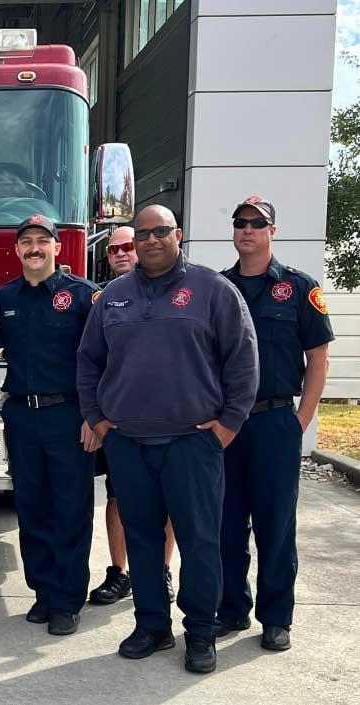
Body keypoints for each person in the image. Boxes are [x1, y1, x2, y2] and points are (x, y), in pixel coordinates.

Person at [77, 205, 259, 674]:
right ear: (133, 242)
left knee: (200, 541)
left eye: (161, 232)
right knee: (141, 538)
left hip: (192, 444)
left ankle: (200, 632)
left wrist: (227, 426)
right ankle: (152, 626)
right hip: (128, 443)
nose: (151, 240)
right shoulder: (113, 297)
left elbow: (242, 360)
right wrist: (97, 419)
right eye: (142, 234)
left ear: (177, 234)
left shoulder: (213, 290)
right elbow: (88, 362)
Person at [218, 196, 334, 651]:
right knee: (226, 523)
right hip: (227, 424)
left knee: (275, 525)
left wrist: (300, 420)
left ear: (272, 231)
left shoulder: (299, 288)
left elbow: (318, 359)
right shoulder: (218, 288)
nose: (247, 230)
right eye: (240, 223)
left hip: (273, 423)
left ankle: (275, 616)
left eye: (256, 223)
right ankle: (231, 609)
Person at [0, 214, 100, 636]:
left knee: (70, 509)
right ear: (17, 250)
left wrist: (95, 417)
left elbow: (102, 361)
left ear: (58, 247)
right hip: (21, 415)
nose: (34, 248)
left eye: (43, 241)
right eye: (27, 242)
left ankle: (68, 600)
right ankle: (42, 591)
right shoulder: (3, 297)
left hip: (68, 416)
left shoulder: (83, 297)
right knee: (30, 506)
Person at [89, 226, 176, 606]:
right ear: (107, 258)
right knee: (117, 497)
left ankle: (162, 570)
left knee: (169, 499)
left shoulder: (175, 291)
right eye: (115, 250)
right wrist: (95, 416)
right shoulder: (102, 299)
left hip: (171, 420)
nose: (123, 253)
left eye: (129, 246)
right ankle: (120, 572)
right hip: (120, 423)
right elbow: (88, 361)